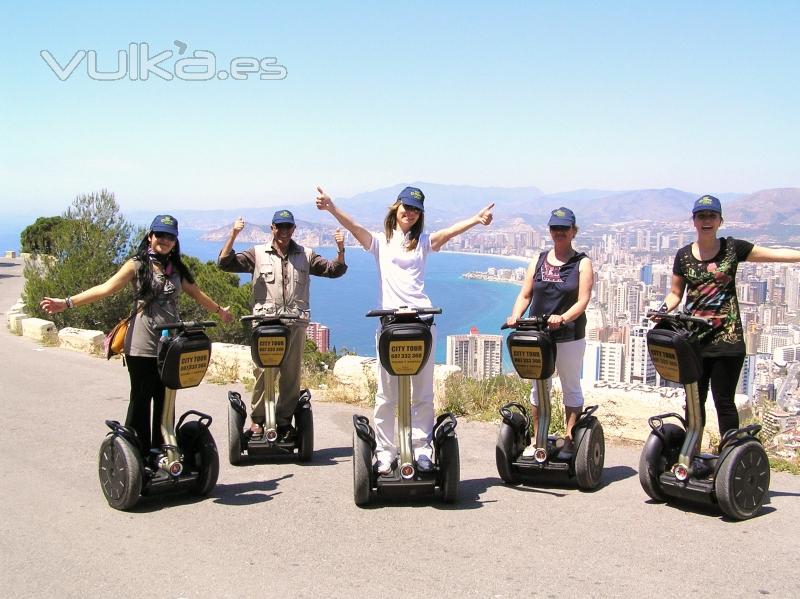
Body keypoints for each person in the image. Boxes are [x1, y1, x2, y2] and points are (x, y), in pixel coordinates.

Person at [316, 185, 494, 474]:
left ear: (419, 214)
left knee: (422, 393)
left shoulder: (423, 242)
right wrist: (332, 207)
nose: (409, 212)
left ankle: (422, 448)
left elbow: (449, 232)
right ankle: (386, 452)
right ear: (395, 207)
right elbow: (354, 226)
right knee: (387, 394)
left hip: (421, 322)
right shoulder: (379, 242)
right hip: (390, 325)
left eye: (415, 209)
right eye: (406, 207)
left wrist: (476, 219)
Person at [41, 215, 234, 450]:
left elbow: (197, 293)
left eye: (169, 236)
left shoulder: (176, 270)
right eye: (160, 235)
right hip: (141, 346)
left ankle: (164, 451)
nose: (164, 240)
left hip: (170, 348)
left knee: (166, 402)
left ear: (175, 241)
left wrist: (219, 311)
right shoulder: (137, 265)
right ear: (150, 237)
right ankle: (136, 453)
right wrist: (67, 302)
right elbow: (106, 288)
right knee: (141, 401)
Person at [659, 194, 800, 437]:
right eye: (701, 216)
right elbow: (675, 294)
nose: (706, 220)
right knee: (693, 402)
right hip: (694, 341)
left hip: (728, 340)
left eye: (711, 216)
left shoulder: (732, 249)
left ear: (720, 221)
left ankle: (728, 456)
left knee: (724, 402)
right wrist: (662, 311)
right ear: (693, 220)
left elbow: (773, 253)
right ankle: (689, 453)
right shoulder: (683, 255)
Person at [217, 210, 347, 441]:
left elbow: (333, 270)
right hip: (265, 323)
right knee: (263, 373)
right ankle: (258, 420)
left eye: (289, 227)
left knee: (291, 375)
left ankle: (284, 420)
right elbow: (225, 263)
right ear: (272, 228)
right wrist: (234, 234)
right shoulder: (257, 253)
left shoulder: (305, 255)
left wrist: (340, 250)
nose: (284, 232)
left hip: (295, 323)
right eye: (280, 227)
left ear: (294, 229)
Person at [506, 207, 594, 454]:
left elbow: (583, 301)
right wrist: (516, 315)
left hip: (569, 335)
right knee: (539, 386)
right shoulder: (539, 259)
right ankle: (538, 439)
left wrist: (563, 318)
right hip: (539, 335)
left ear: (573, 231)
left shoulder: (582, 263)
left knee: (570, 386)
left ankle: (569, 440)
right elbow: (525, 294)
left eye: (564, 228)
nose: (559, 232)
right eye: (555, 228)